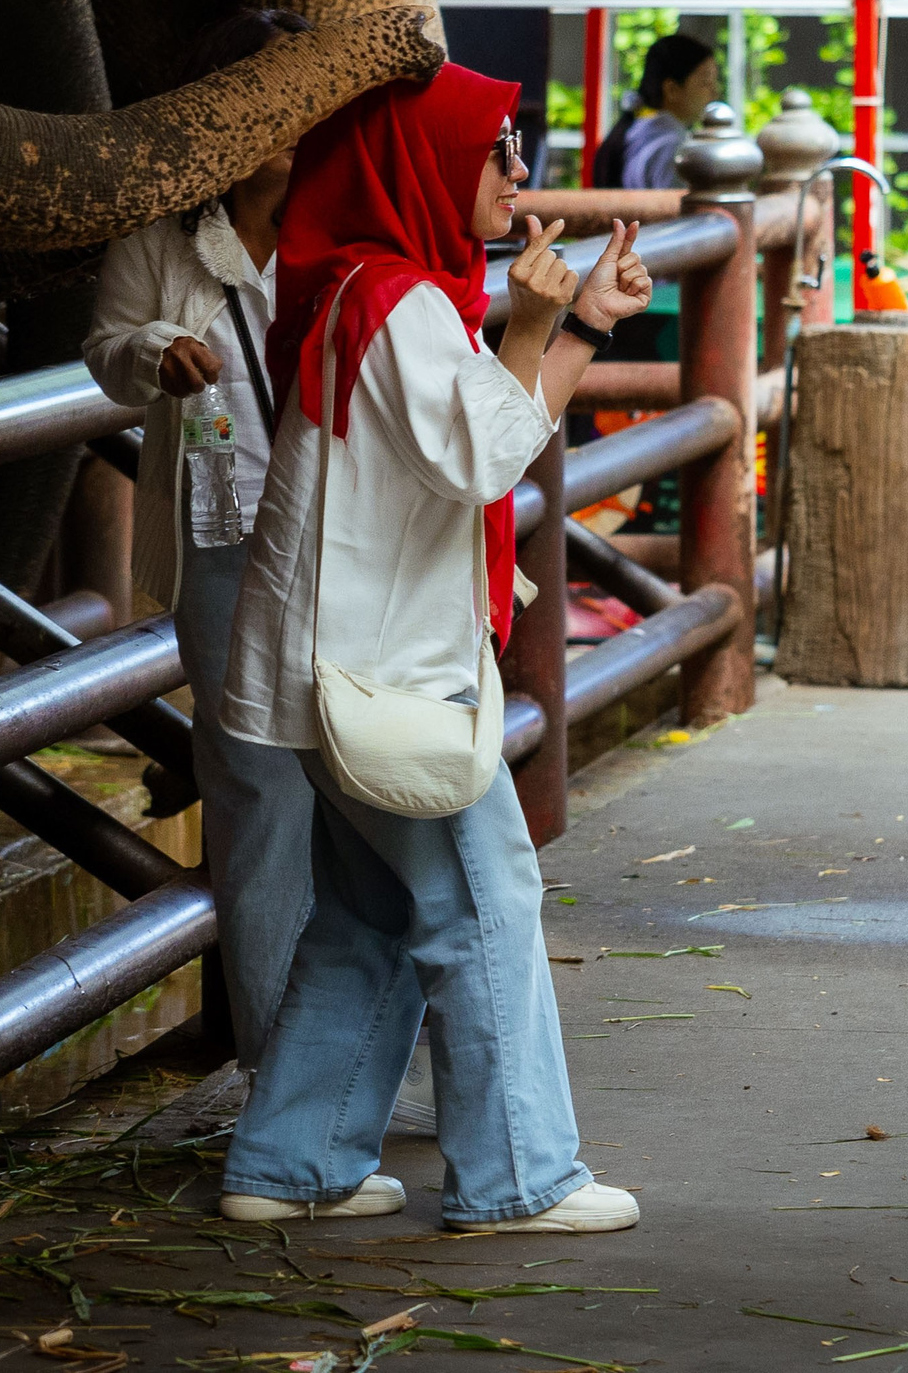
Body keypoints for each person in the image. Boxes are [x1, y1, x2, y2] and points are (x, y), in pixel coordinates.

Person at [216, 64, 653, 1232]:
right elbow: (481, 459)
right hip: (380, 672)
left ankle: (292, 1161)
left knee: (366, 912)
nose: (516, 169)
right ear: (413, 162)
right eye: (493, 146)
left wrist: (573, 325)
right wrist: (537, 321)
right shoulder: (398, 301)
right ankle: (518, 1174)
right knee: (486, 893)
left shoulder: (364, 285)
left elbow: (477, 430)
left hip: (335, 667)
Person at [82, 9, 317, 1077]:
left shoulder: (351, 220)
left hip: (346, 535)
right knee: (258, 798)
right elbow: (106, 348)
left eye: (289, 96)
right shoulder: (160, 234)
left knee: (373, 795)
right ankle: (283, 1072)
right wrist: (152, 347)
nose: (274, 121)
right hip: (223, 541)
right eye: (250, 100)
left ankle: (372, 1058)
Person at [589, 32, 718, 190]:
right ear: (671, 90)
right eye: (706, 83)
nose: (714, 93)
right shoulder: (673, 148)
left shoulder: (637, 132)